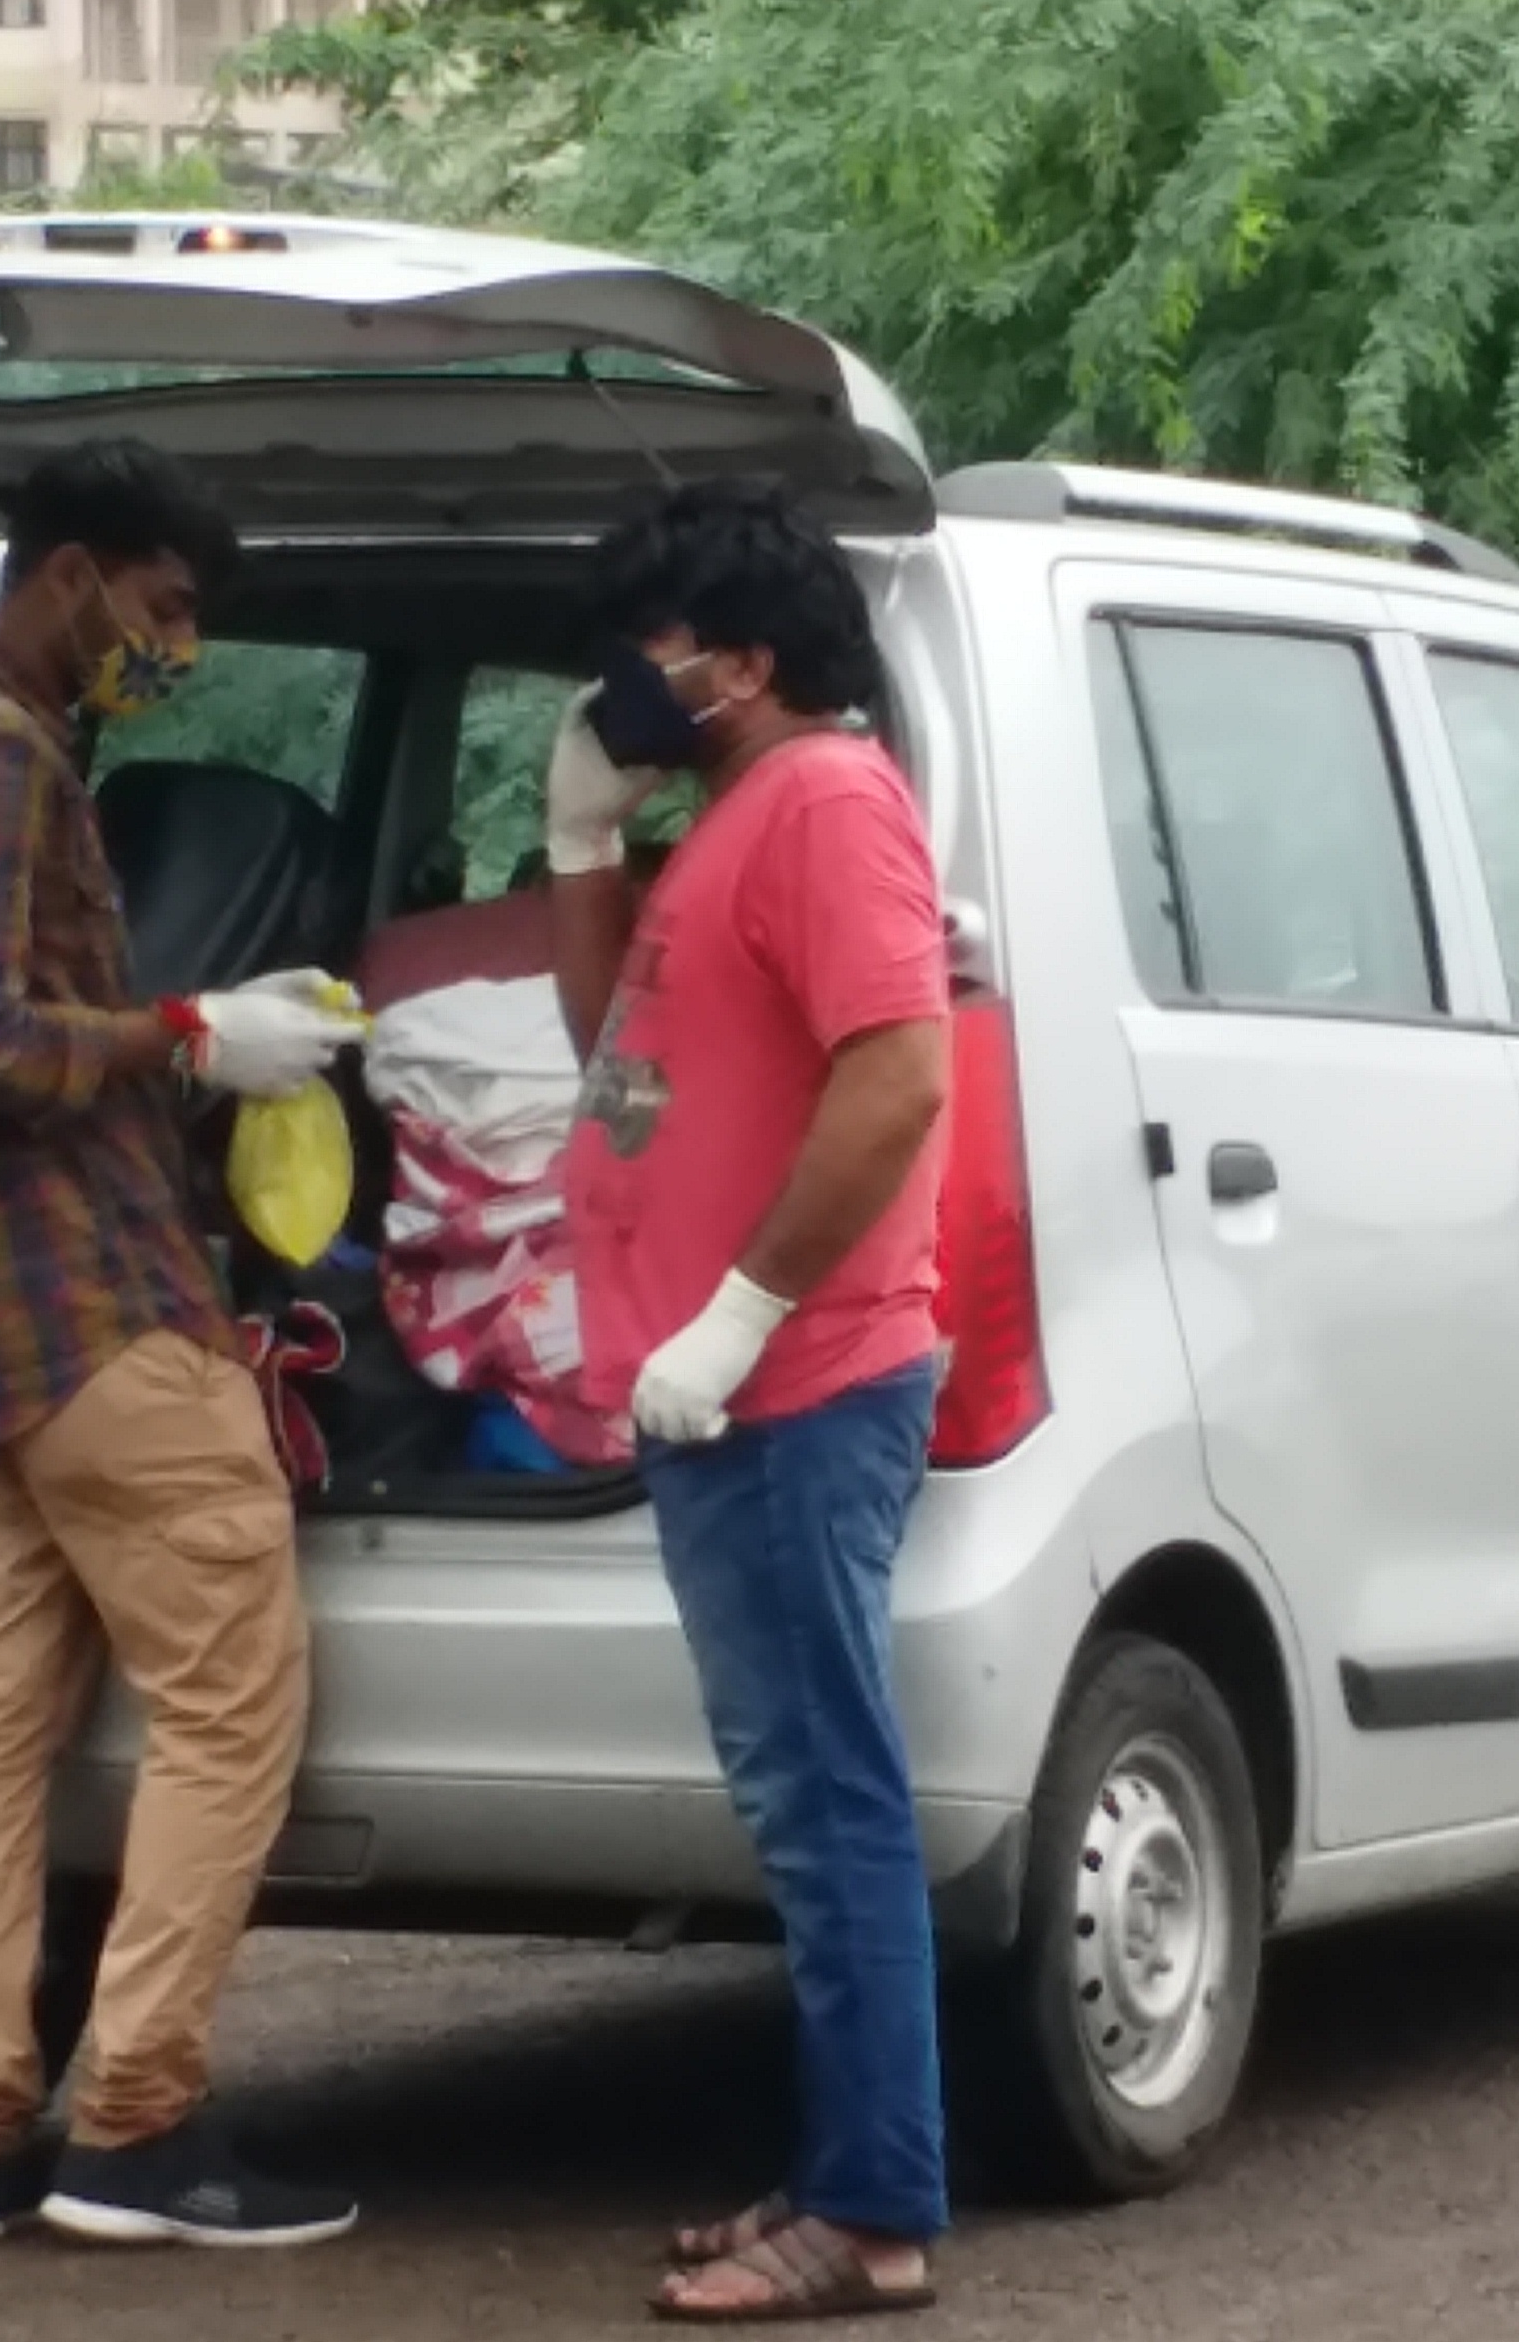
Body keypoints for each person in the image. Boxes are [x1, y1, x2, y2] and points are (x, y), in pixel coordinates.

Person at [0, 436, 370, 2253]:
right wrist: (185, 1035)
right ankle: (138, 2127)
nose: (180, 642)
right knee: (235, 1703)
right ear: (69, 577)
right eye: (162, 605)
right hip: (90, 1313)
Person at [548, 480, 957, 2323]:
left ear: (748, 660)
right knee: (798, 1793)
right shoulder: (726, 818)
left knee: (828, 1798)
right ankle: (837, 2173)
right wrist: (581, 851)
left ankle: (871, 2216)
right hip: (715, 1397)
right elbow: (618, 1073)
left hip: (791, 1384)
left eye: (649, 649)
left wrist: (733, 1317)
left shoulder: (826, 805)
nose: (623, 681)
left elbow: (897, 1084)